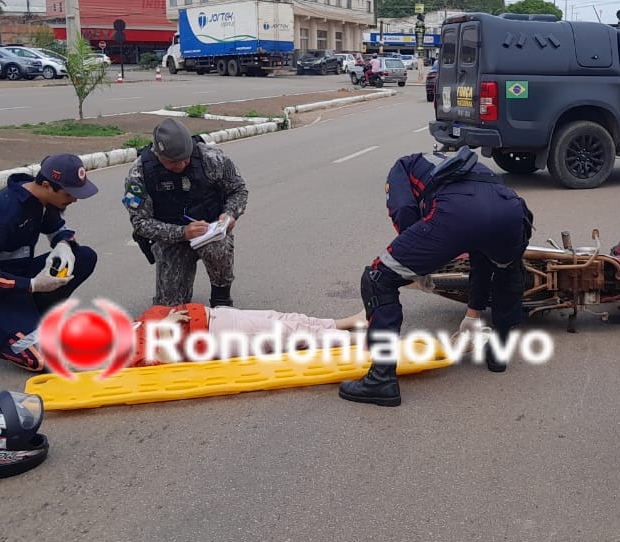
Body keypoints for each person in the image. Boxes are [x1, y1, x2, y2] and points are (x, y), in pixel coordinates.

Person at [338, 147, 533, 407]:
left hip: (457, 210)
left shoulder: (402, 166)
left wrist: (417, 267)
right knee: (507, 270)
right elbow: (480, 258)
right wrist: (472, 314)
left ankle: (381, 379)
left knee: (378, 277)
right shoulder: (467, 166)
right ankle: (498, 353)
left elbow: (404, 210)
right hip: (510, 210)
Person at [0, 153, 99, 370]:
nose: (74, 199)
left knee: (83, 257)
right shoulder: (1, 212)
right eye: (70, 193)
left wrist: (64, 245)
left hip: (18, 281)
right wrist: (32, 285)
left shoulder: (42, 200)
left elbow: (58, 229)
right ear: (46, 185)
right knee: (41, 361)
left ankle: (33, 318)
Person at [124, 118, 249, 308]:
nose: (182, 164)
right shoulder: (139, 174)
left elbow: (238, 190)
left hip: (210, 233)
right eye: (174, 162)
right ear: (158, 154)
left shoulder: (211, 158)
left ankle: (221, 295)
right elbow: (140, 223)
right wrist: (182, 232)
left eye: (186, 158)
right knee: (170, 309)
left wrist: (230, 214)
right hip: (171, 240)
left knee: (219, 246)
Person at [128, 304, 367, 367]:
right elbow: (168, 365)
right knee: (288, 333)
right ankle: (358, 340)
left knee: (283, 318)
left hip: (213, 316)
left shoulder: (132, 326)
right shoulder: (131, 352)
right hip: (214, 335)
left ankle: (347, 323)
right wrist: (165, 329)